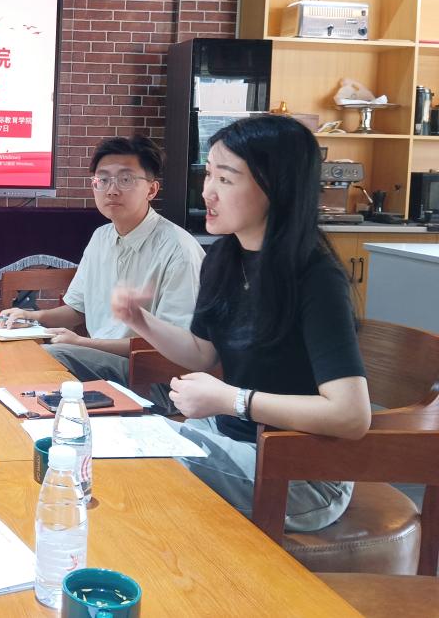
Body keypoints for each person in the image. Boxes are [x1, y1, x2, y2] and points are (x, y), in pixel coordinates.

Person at [111, 115, 371, 531]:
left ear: (276, 187)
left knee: (145, 461)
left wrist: (232, 400)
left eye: (226, 179)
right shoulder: (224, 258)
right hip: (233, 437)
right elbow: (202, 353)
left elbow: (351, 416)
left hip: (303, 471)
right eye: (208, 174)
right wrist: (139, 319)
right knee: (124, 436)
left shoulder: (315, 277)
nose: (207, 191)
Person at [0, 135, 204, 387]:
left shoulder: (178, 251)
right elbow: (77, 309)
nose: (111, 190)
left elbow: (175, 347)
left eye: (125, 180)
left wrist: (82, 343)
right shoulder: (101, 237)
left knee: (46, 358)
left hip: (155, 376)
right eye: (103, 180)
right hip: (99, 358)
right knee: (17, 350)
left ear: (152, 190)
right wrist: (32, 317)